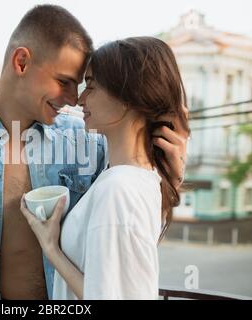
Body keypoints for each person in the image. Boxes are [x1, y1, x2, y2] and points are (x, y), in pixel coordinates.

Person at [0, 4, 187, 300]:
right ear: (21, 63)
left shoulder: (91, 142)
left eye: (82, 85)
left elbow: (125, 247)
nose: (73, 98)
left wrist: (172, 173)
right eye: (63, 82)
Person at [18, 37, 190, 299]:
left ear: (129, 98)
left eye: (92, 86)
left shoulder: (118, 187)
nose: (80, 100)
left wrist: (51, 247)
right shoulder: (140, 178)